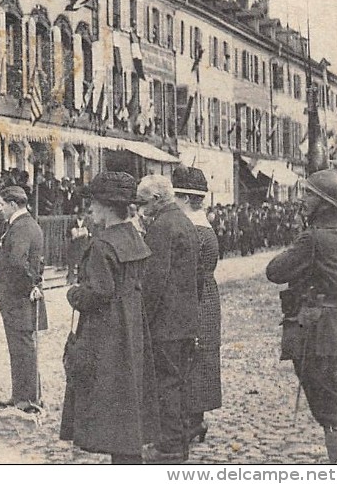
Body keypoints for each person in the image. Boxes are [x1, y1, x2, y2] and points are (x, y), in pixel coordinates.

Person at [59, 172, 158, 464]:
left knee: (109, 396)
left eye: (93, 204)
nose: (89, 209)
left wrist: (74, 294)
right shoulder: (134, 238)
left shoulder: (103, 245)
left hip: (107, 334)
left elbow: (99, 293)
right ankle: (129, 460)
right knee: (128, 397)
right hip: (132, 326)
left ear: (106, 205)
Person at [266, 168, 337, 464]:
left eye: (309, 193)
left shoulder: (313, 238)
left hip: (324, 333)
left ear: (325, 202)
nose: (303, 199)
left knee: (330, 406)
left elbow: (275, 272)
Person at [137, 174, 199, 463]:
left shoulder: (162, 227)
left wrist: (143, 318)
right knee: (179, 382)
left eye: (143, 200)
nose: (140, 206)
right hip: (185, 321)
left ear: (157, 199)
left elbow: (153, 281)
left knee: (166, 384)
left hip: (166, 325)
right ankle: (180, 440)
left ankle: (171, 446)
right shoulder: (184, 221)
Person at [172, 167, 222, 447]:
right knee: (198, 360)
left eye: (177, 197)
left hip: (197, 298)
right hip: (204, 297)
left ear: (189, 199)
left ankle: (192, 422)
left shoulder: (196, 231)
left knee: (194, 359)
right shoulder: (199, 226)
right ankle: (193, 420)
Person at [0, 184, 47, 414]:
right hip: (19, 297)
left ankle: (29, 399)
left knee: (23, 347)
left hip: (19, 298)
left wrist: (29, 286)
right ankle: (20, 395)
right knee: (20, 346)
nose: (0, 209)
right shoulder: (22, 224)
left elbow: (17, 262)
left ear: (13, 204)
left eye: (3, 205)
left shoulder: (22, 227)